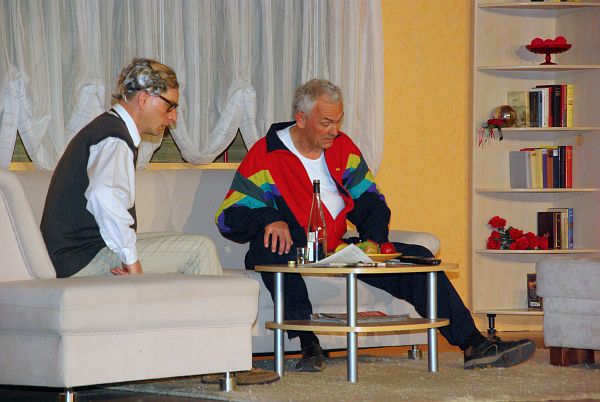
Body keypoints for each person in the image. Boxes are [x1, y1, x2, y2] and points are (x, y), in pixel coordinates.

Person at [216, 78, 536, 371]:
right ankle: (308, 345)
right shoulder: (266, 153)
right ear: (301, 119)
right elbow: (229, 216)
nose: (334, 131)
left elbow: (371, 201)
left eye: (338, 121)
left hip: (334, 249)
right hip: (290, 249)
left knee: (418, 256)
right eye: (326, 123)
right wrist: (269, 217)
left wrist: (374, 241)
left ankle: (474, 345)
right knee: (273, 249)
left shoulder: (343, 148)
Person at [41, 58, 222, 278]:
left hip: (79, 254)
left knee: (180, 241)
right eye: (170, 106)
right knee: (200, 250)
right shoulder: (114, 137)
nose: (173, 117)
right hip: (82, 259)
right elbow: (103, 195)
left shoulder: (107, 128)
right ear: (144, 98)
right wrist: (132, 263)